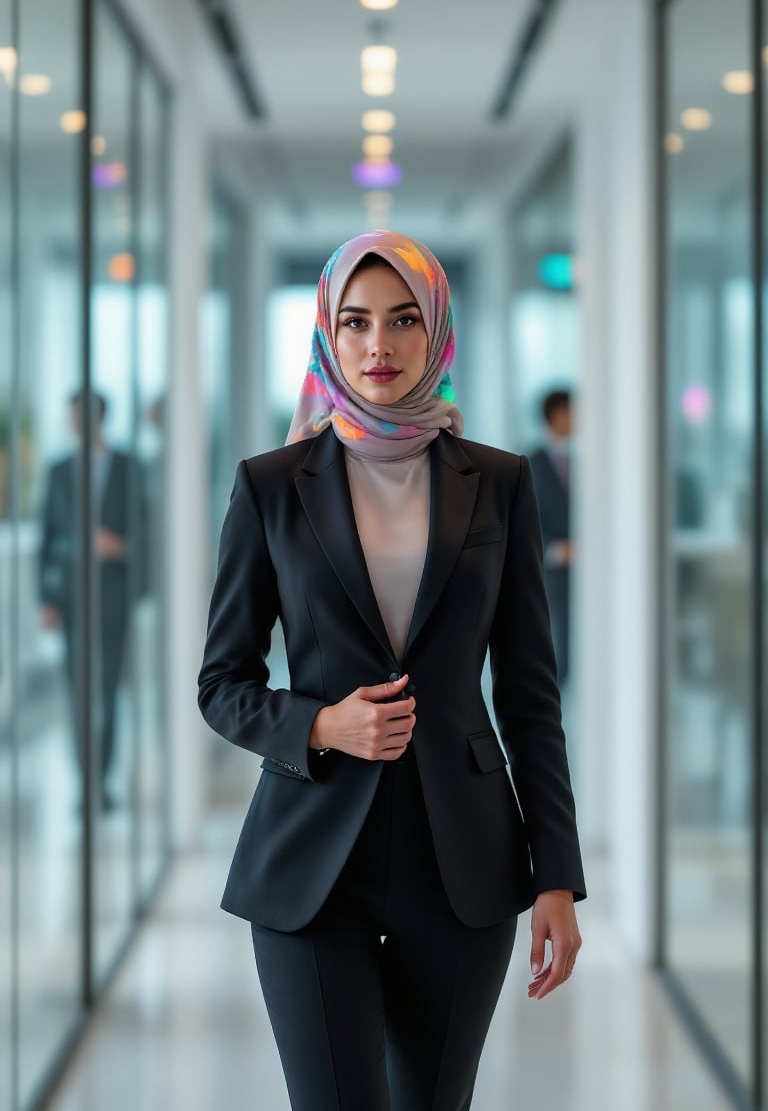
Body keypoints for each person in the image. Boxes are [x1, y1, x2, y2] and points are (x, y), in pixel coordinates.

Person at [198, 231, 585, 1111]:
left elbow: (531, 698)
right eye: (357, 322)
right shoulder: (270, 485)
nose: (380, 346)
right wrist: (321, 723)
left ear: (437, 329)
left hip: (464, 864)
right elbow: (222, 682)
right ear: (328, 336)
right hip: (309, 864)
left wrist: (556, 873)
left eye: (404, 320)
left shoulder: (500, 482)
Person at [40, 389, 144, 809]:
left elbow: (146, 529)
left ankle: (102, 781)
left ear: (100, 418)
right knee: (78, 692)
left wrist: (118, 546)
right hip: (70, 598)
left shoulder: (127, 467)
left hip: (114, 594)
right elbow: (47, 537)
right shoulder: (59, 470)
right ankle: (87, 784)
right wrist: (45, 600)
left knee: (108, 689)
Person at [529, 389, 574, 687]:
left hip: (577, 573)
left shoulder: (577, 460)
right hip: (549, 570)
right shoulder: (529, 462)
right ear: (557, 415)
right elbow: (524, 519)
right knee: (554, 650)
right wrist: (555, 550)